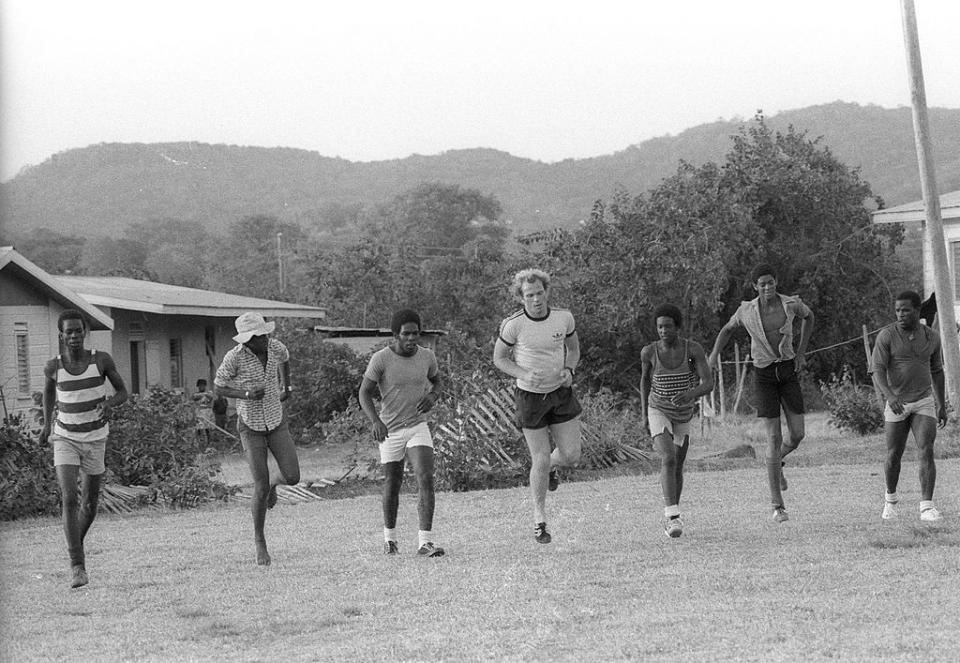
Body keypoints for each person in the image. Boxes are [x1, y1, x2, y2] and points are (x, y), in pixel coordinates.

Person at [707, 263, 815, 524]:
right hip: (764, 375)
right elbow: (727, 330)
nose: (767, 287)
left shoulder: (790, 304)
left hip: (787, 371)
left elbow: (809, 317)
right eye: (762, 284)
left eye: (770, 282)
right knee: (774, 438)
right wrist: (712, 357)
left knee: (798, 434)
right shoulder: (747, 310)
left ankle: (775, 464)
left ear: (776, 281)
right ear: (755, 286)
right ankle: (778, 506)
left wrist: (801, 352)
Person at [39, 309, 128, 589]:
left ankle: (74, 542)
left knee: (89, 506)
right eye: (69, 332)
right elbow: (49, 393)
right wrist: (46, 425)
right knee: (69, 498)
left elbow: (123, 392)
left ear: (85, 332)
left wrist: (108, 405)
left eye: (79, 330)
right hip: (65, 437)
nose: (74, 336)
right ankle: (77, 565)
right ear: (61, 335)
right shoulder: (53, 366)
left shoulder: (100, 360)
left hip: (95, 439)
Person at [493, 268, 581, 544]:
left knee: (571, 456)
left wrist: (570, 370)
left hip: (560, 392)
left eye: (540, 293)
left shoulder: (563, 318)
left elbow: (574, 349)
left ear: (547, 292)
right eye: (529, 295)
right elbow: (499, 358)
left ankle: (553, 469)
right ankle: (540, 520)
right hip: (530, 397)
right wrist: (523, 374)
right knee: (539, 458)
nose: (536, 299)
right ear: (521, 298)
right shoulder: (514, 325)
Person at [214, 312, 299, 565]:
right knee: (259, 487)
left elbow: (286, 358)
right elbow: (218, 387)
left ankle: (276, 483)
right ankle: (260, 542)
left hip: (275, 419)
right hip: (250, 425)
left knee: (293, 476)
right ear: (247, 340)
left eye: (265, 334)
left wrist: (287, 386)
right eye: (259, 337)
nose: (265, 339)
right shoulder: (234, 357)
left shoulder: (275, 347)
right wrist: (246, 393)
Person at [359, 309, 445, 557]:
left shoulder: (427, 356)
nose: (411, 339)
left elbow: (437, 382)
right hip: (390, 430)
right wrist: (375, 421)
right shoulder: (381, 359)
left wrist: (432, 396)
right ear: (395, 335)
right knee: (392, 482)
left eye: (415, 333)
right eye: (406, 334)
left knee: (425, 476)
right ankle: (390, 539)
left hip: (417, 425)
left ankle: (425, 542)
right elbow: (364, 392)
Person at [872, 290, 947, 522]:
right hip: (896, 403)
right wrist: (890, 397)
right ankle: (891, 501)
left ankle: (926, 507)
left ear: (917, 310)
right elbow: (877, 371)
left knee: (926, 449)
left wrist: (941, 404)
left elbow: (936, 370)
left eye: (905, 310)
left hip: (923, 401)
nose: (901, 314)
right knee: (894, 454)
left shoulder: (932, 337)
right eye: (897, 310)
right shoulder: (886, 336)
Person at [640, 304, 714, 538]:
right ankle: (672, 516)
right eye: (660, 327)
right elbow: (644, 382)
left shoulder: (693, 350)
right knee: (668, 457)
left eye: (668, 326)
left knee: (678, 464)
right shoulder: (649, 352)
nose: (663, 330)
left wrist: (690, 395)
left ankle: (673, 515)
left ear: (678, 327)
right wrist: (644, 413)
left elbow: (708, 383)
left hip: (683, 413)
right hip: (658, 409)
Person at [192, 378, 215, 444]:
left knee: (208, 429)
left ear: (205, 386)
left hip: (207, 413)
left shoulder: (209, 393)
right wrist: (203, 394)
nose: (201, 387)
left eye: (202, 385)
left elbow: (210, 397)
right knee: (199, 429)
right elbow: (194, 397)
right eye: (200, 386)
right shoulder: (196, 394)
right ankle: (200, 442)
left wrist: (204, 394)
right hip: (199, 413)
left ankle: (209, 442)